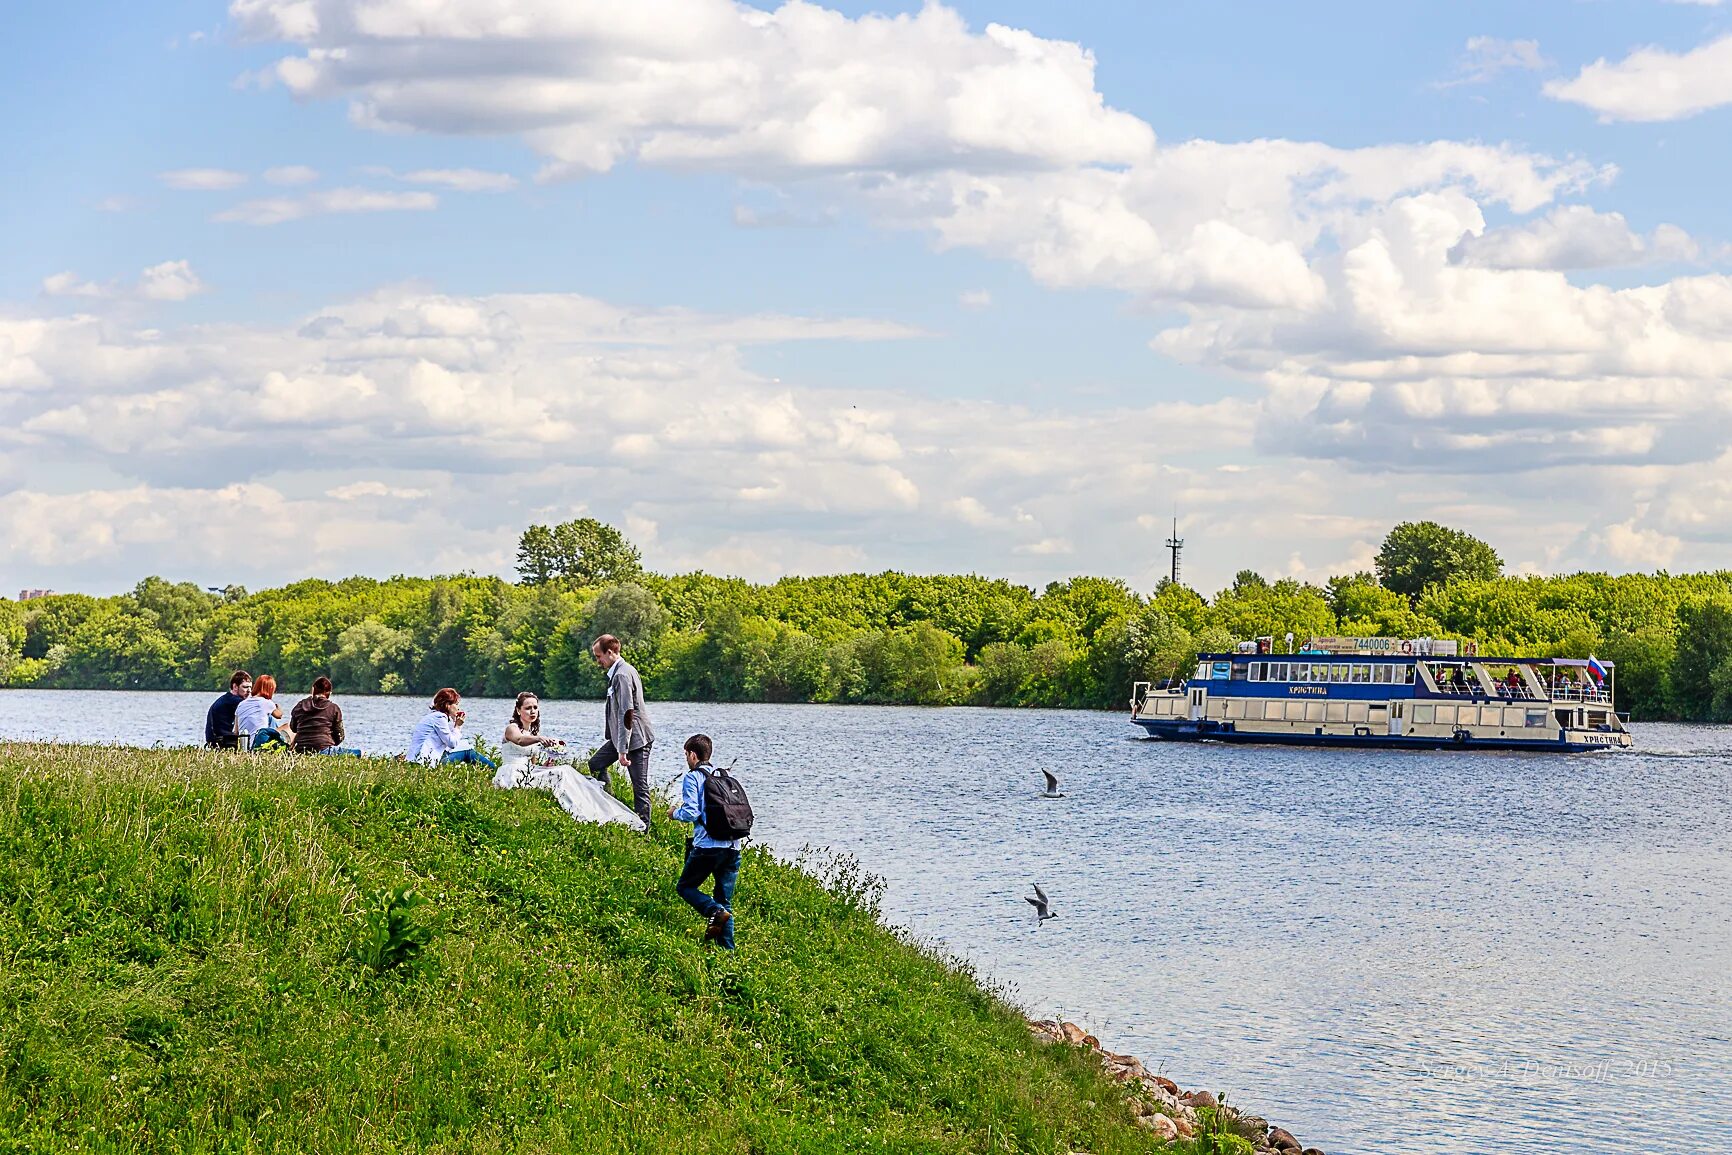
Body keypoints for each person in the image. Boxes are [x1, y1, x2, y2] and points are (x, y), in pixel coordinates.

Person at [494, 692, 644, 831]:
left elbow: (532, 764)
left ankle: (588, 808)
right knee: (564, 771)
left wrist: (545, 766)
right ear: (519, 710)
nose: (532, 711)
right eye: (528, 708)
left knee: (565, 770)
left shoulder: (533, 733)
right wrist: (539, 739)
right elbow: (519, 741)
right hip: (512, 772)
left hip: (528, 771)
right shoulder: (512, 728)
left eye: (535, 707)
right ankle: (578, 811)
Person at [670, 733, 740, 949]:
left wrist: (673, 813)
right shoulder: (724, 776)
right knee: (724, 901)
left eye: (686, 754)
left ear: (693, 755)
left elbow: (691, 812)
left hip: (708, 848)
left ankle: (713, 911)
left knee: (685, 887)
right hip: (732, 847)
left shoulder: (693, 777)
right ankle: (727, 951)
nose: (686, 758)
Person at [587, 633, 656, 832]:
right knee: (596, 763)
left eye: (599, 656)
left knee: (639, 785)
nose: (598, 661)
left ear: (610, 652)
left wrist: (622, 750)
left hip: (636, 739)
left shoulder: (622, 675)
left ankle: (643, 830)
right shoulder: (618, 672)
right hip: (621, 738)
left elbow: (627, 712)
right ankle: (608, 805)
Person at [408, 688, 496, 767]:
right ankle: (494, 770)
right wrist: (457, 726)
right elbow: (452, 743)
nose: (458, 708)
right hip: (424, 762)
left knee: (465, 747)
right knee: (467, 752)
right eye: (456, 704)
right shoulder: (440, 717)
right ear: (448, 705)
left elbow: (446, 743)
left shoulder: (432, 716)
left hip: (415, 760)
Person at [290, 677, 359, 755]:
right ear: (329, 692)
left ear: (313, 690)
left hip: (300, 749)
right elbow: (340, 736)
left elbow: (293, 728)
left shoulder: (299, 705)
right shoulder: (333, 708)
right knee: (359, 753)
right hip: (323, 749)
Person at [235, 674, 287, 747]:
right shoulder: (267, 702)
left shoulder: (241, 704)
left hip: (244, 744)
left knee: (270, 719)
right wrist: (278, 706)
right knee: (287, 726)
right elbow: (279, 715)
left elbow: (236, 731)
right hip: (258, 743)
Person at [204, 670, 251, 749]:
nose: (249, 691)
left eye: (250, 687)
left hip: (216, 739)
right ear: (235, 686)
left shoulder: (227, 698)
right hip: (222, 741)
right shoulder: (235, 701)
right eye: (245, 687)